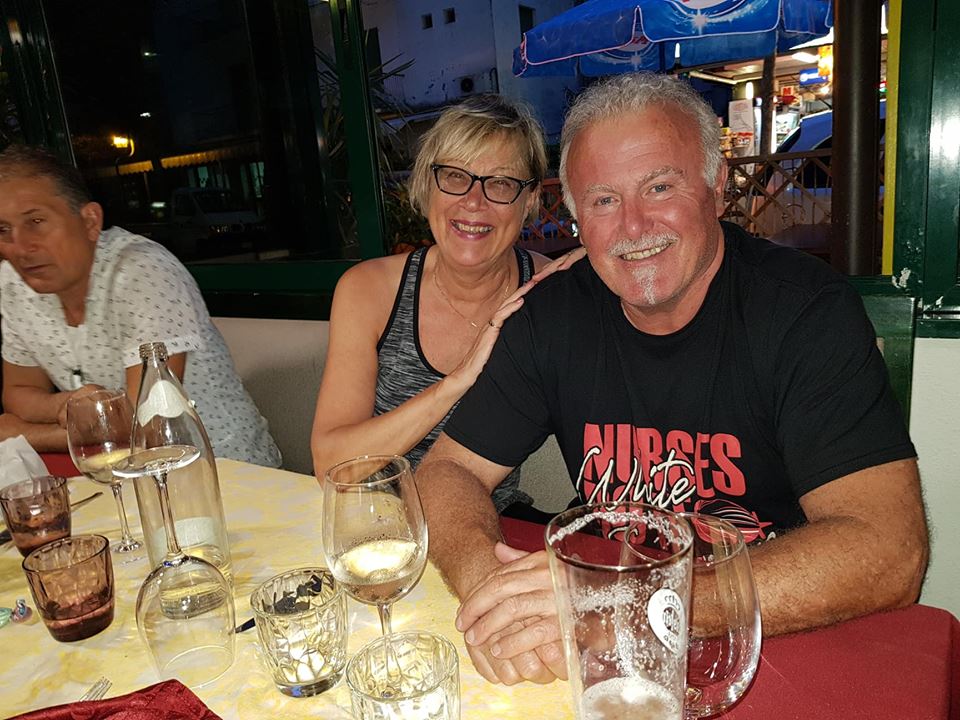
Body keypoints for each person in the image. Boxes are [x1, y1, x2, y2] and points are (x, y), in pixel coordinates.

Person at [416, 73, 929, 685]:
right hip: (604, 631)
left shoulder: (803, 311)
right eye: (603, 201)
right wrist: (487, 589)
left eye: (659, 187)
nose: (633, 228)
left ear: (717, 186)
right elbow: (445, 473)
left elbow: (889, 550)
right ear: (576, 218)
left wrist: (636, 605)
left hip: (767, 633)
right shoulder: (551, 314)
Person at [311, 94, 582, 509]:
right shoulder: (369, 290)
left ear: (529, 200)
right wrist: (454, 384)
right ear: (427, 184)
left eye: (500, 183)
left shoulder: (549, 290)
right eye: (455, 176)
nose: (473, 202)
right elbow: (331, 465)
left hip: (485, 522)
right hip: (376, 522)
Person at [0, 145, 281, 467]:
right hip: (118, 472)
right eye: (3, 230)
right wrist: (69, 405)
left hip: (224, 469)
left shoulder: (143, 271)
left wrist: (26, 434)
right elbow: (19, 392)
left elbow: (148, 423)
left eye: (36, 221)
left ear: (90, 221)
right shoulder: (13, 284)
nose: (19, 247)